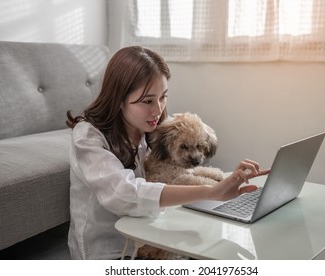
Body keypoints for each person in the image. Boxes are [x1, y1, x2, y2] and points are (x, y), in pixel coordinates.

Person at [66, 46, 269, 260]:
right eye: (147, 101)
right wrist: (210, 191)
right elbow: (124, 194)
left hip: (151, 235)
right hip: (111, 251)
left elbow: (174, 173)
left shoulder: (151, 129)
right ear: (119, 98)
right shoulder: (88, 137)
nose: (158, 109)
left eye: (163, 97)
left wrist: (225, 182)